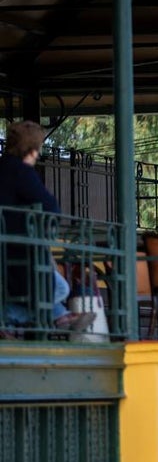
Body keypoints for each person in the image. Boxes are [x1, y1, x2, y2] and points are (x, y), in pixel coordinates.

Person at [0, 120, 95, 333]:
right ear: (32, 150)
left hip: (7, 252)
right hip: (21, 252)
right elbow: (51, 207)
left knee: (55, 290)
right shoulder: (22, 172)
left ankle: (61, 317)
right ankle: (12, 317)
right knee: (59, 289)